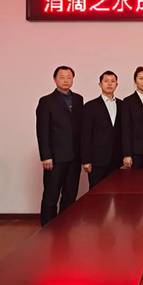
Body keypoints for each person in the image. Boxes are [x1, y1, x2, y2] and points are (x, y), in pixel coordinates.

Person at [36, 66, 83, 226]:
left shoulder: (78, 99)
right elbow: (42, 131)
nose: (66, 80)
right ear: (55, 79)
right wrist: (46, 156)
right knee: (51, 195)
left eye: (69, 77)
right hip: (55, 158)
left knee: (70, 195)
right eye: (62, 77)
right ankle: (47, 227)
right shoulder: (46, 101)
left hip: (75, 157)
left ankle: (64, 226)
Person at [81, 71, 123, 188]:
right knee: (96, 192)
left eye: (112, 81)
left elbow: (125, 132)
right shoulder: (90, 106)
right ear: (100, 84)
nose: (109, 84)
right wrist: (86, 160)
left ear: (116, 85)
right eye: (106, 81)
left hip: (117, 159)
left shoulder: (122, 105)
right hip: (97, 160)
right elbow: (85, 134)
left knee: (117, 191)